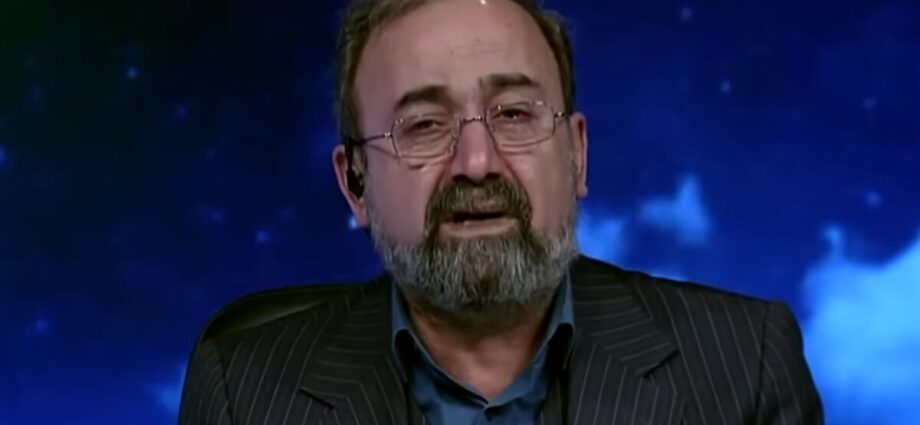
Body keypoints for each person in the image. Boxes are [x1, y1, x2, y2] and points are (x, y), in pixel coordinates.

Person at [178, 0, 823, 423]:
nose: (478, 162)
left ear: (576, 155)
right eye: (424, 125)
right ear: (356, 184)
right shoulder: (244, 394)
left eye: (515, 114)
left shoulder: (746, 365)